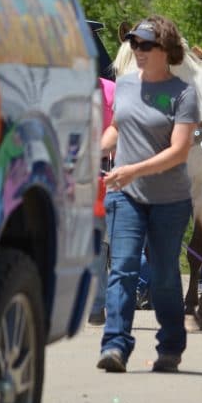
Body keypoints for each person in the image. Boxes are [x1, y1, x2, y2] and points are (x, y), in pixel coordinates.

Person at [97, 16, 198, 373]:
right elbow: (116, 127)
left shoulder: (183, 93)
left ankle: (170, 346)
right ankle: (114, 345)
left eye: (145, 44)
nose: (136, 50)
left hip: (169, 200)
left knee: (164, 275)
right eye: (134, 44)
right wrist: (96, 150)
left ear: (165, 50)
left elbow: (179, 151)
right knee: (122, 268)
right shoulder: (124, 85)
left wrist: (133, 170)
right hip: (125, 195)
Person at [88, 76, 116, 326]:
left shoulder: (111, 90)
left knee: (100, 243)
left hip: (104, 175)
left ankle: (98, 305)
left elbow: (121, 133)